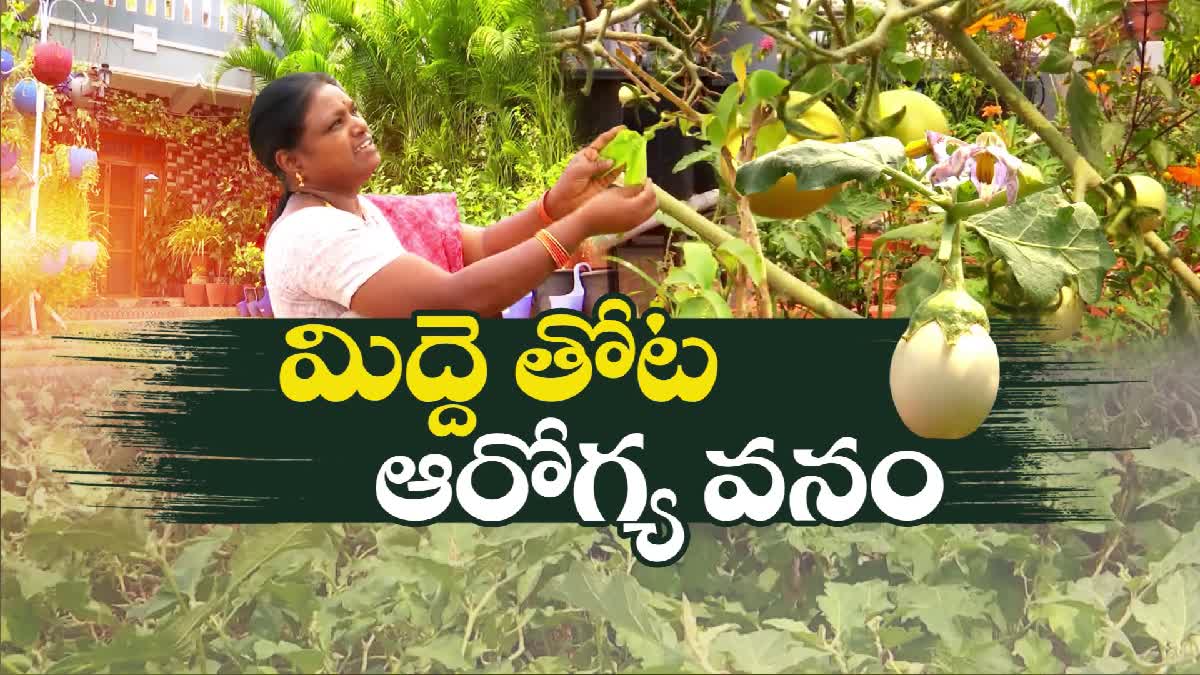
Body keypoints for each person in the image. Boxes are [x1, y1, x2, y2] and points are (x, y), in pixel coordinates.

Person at [247, 71, 659, 319]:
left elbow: (478, 247)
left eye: (352, 111)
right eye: (335, 124)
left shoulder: (357, 212)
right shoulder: (315, 233)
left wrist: (558, 205)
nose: (359, 124)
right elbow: (452, 302)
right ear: (292, 162)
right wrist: (582, 223)